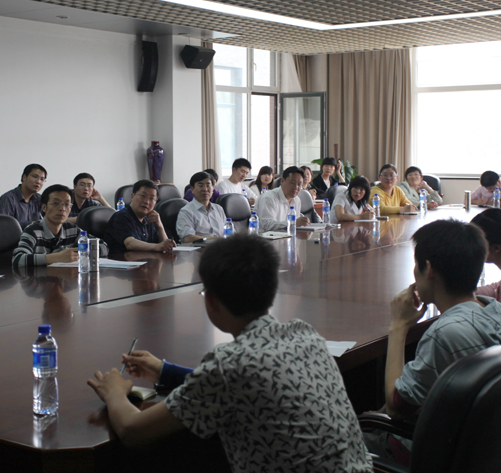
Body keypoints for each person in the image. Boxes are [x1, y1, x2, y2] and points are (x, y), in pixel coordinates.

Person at [86, 235, 374, 473]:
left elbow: (133, 431)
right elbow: (246, 383)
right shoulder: (305, 334)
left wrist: (115, 393)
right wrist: (166, 371)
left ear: (210, 300)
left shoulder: (229, 366)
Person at [365, 219, 501, 463]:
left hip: (431, 451)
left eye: (416, 265)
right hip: (485, 444)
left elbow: (395, 408)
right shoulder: (500, 311)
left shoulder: (444, 334)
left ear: (429, 269)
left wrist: (398, 328)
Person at [12, 184, 108, 268]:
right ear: (44, 207)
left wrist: (80, 252)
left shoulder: (72, 230)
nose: (62, 209)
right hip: (39, 281)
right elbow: (18, 259)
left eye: (67, 204)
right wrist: (57, 257)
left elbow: (104, 246)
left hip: (65, 279)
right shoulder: (33, 231)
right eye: (55, 203)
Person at [104, 180, 175, 254]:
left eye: (151, 199)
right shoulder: (121, 216)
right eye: (143, 196)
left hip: (145, 260)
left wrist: (160, 227)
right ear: (132, 196)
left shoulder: (150, 219)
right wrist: (157, 247)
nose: (146, 202)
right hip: (121, 260)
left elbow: (165, 247)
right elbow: (130, 243)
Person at [254, 166, 310, 232]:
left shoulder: (297, 200)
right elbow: (267, 224)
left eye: (299, 184)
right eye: (292, 183)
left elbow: (295, 226)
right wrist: (292, 223)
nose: (296, 187)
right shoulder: (268, 198)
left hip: (287, 236)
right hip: (265, 237)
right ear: (282, 181)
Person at [176, 171, 227, 243]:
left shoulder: (218, 209)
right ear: (192, 189)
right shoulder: (186, 211)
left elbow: (229, 232)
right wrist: (216, 239)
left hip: (221, 247)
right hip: (199, 249)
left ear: (213, 188)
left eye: (208, 185)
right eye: (200, 186)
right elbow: (187, 238)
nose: (205, 189)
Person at [0, 163, 47, 229]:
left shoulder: (39, 199)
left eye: (42, 179)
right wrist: (32, 224)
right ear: (24, 177)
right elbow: (4, 225)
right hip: (14, 235)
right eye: (35, 177)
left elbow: (50, 218)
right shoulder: (8, 198)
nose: (38, 182)